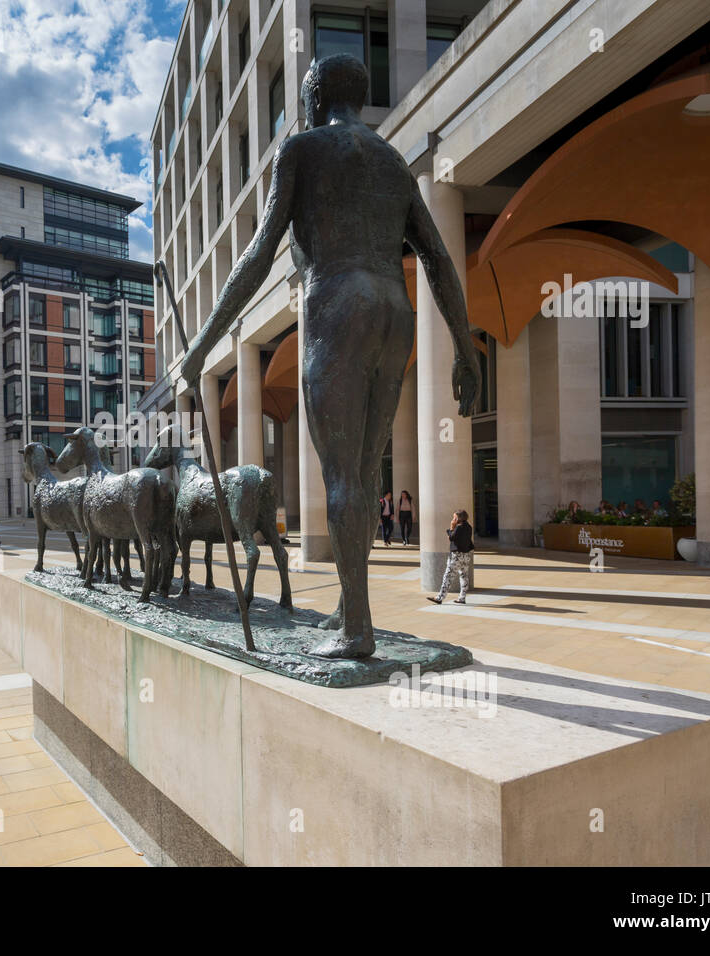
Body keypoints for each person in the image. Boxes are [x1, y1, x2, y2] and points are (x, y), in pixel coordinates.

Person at [176, 54, 480, 659]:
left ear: (313, 97)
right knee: (366, 475)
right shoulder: (393, 163)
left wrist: (203, 342)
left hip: (338, 305)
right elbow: (440, 260)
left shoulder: (303, 150)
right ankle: (351, 603)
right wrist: (464, 346)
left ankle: (355, 631)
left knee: (343, 477)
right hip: (396, 312)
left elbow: (260, 253)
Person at [428, 510, 474, 605]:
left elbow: (451, 538)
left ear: (458, 518)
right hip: (466, 555)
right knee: (464, 576)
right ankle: (462, 597)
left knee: (448, 576)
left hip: (456, 556)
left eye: (454, 518)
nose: (453, 519)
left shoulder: (458, 528)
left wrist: (451, 527)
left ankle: (440, 597)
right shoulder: (469, 527)